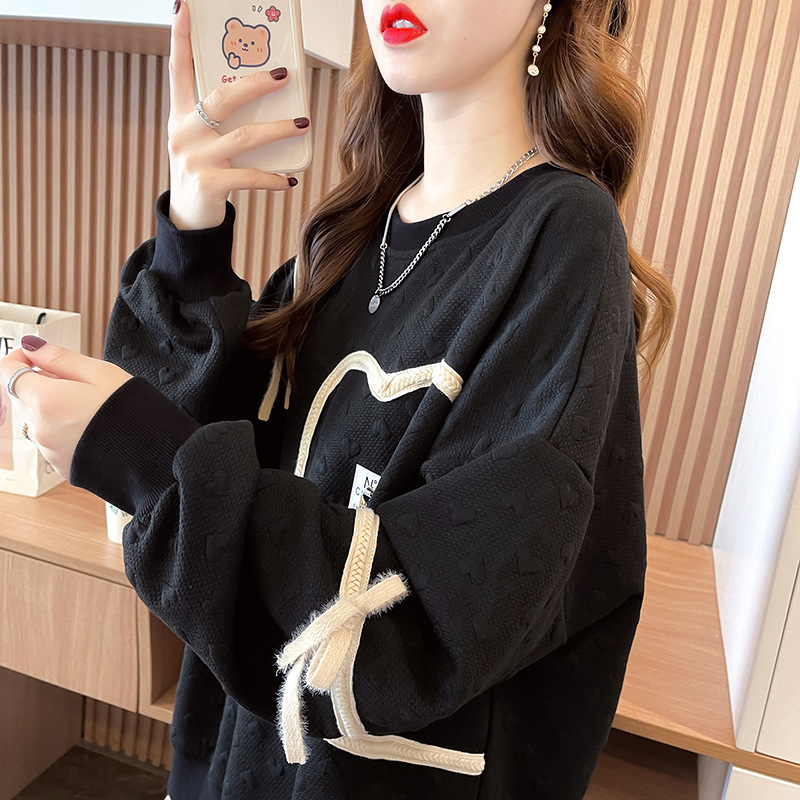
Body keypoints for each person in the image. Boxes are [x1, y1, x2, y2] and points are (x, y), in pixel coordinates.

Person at [0, 0, 675, 797]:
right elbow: (213, 470)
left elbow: (432, 614)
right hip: (240, 754)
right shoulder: (354, 233)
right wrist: (193, 226)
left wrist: (144, 454)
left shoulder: (562, 237)